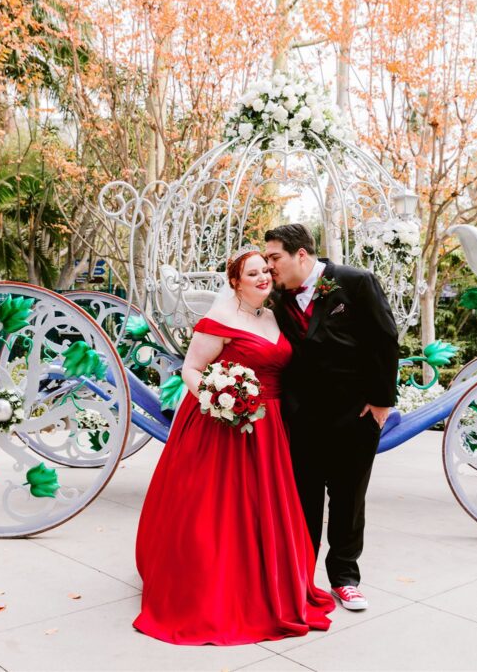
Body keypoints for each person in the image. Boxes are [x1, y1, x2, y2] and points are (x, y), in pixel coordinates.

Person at [134, 246, 334, 645]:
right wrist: (216, 397)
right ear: (235, 283)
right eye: (253, 273)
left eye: (266, 271)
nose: (263, 278)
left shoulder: (276, 315)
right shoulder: (219, 319)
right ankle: (216, 588)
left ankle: (270, 584)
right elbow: (191, 368)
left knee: (267, 508)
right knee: (221, 510)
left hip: (271, 426)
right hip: (224, 425)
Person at [264, 224, 399, 612]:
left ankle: (345, 578)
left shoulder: (354, 282)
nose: (270, 267)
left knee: (348, 499)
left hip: (355, 414)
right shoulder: (274, 297)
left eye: (275, 258)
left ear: (301, 255)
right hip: (300, 419)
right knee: (303, 500)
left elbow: (384, 339)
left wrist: (381, 402)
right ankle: (301, 579)